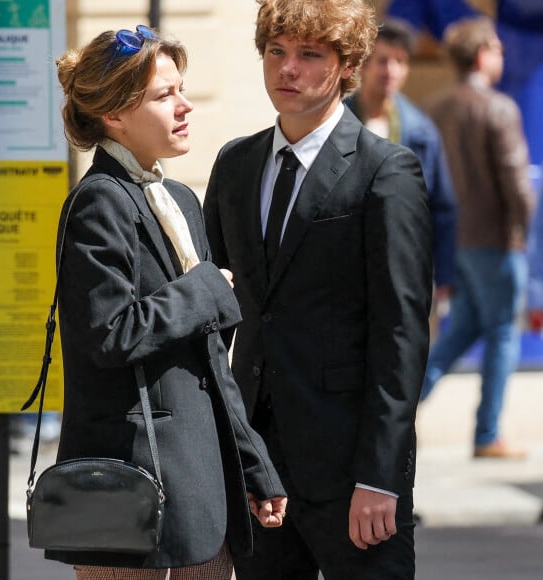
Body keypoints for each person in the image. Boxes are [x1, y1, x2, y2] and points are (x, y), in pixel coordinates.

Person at [203, 1, 433, 578]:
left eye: (310, 55)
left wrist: (380, 476)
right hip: (258, 467)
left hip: (351, 467)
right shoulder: (235, 164)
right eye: (276, 52)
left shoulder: (386, 170)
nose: (288, 69)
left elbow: (400, 334)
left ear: (347, 65)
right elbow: (217, 310)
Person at [51, 25, 286, 579]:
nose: (185, 107)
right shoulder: (98, 203)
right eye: (164, 96)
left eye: (182, 90)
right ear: (114, 114)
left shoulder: (178, 197)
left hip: (200, 495)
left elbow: (211, 362)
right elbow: (108, 333)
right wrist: (205, 289)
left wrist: (254, 467)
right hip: (130, 498)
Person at [421, 16, 536, 459]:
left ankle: (403, 408)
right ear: (482, 54)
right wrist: (520, 236)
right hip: (496, 239)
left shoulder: (434, 109)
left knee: (464, 330)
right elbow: (518, 186)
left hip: (455, 242)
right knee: (504, 331)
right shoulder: (498, 108)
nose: (503, 55)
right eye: (498, 48)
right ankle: (488, 434)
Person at [343, 19, 457, 325]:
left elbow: (442, 207)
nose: (390, 70)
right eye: (382, 61)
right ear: (363, 66)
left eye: (400, 62)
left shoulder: (420, 131)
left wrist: (444, 277)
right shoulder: (338, 121)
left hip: (405, 268)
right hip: (345, 268)